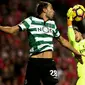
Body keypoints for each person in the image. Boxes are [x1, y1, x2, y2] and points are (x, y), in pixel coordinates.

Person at [0, 1, 84, 85]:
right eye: (51, 9)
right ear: (44, 10)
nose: (53, 11)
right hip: (35, 62)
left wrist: (75, 52)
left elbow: (62, 41)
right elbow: (13, 30)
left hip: (49, 63)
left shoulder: (52, 24)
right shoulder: (31, 20)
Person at [67, 7, 85, 85]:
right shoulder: (75, 46)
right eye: (73, 33)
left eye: (76, 33)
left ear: (80, 33)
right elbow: (71, 36)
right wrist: (69, 20)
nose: (74, 35)